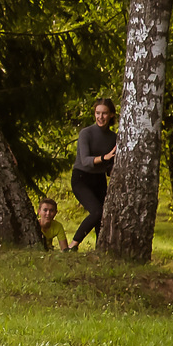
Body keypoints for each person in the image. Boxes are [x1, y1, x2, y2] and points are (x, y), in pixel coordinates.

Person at [69, 99, 117, 250]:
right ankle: (73, 245)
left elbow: (109, 166)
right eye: (97, 113)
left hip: (99, 179)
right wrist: (105, 157)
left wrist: (113, 168)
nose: (100, 117)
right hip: (81, 178)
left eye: (104, 113)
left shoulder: (114, 137)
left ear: (111, 115)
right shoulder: (86, 133)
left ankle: (100, 249)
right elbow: (85, 160)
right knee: (97, 211)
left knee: (102, 217)